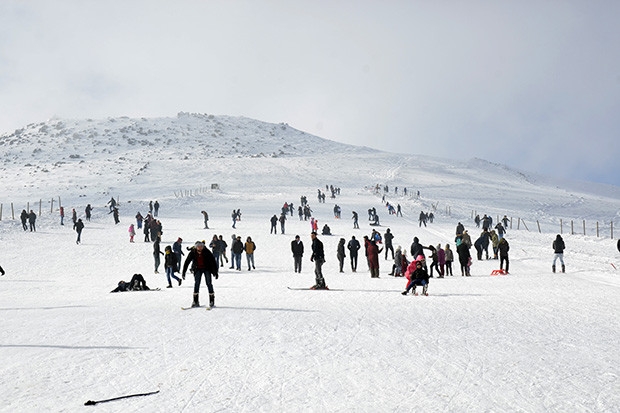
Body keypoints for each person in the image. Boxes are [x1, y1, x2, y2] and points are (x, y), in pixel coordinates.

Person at [182, 241, 219, 308]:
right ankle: (195, 301)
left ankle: (212, 301)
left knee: (209, 283)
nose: (200, 248)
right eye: (198, 247)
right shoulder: (193, 252)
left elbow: (213, 261)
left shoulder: (206, 251)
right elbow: (187, 262)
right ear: (196, 247)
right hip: (197, 269)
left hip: (206, 268)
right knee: (197, 284)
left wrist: (215, 272)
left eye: (201, 246)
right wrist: (183, 272)